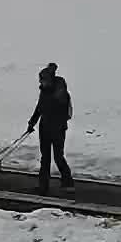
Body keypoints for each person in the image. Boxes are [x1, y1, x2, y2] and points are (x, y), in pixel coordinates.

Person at [26, 63, 75, 191]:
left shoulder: (61, 92)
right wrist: (32, 122)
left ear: (50, 80)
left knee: (58, 157)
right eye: (40, 80)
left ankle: (68, 183)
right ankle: (43, 185)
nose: (41, 83)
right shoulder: (44, 92)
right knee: (45, 158)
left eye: (43, 80)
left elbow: (60, 108)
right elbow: (39, 108)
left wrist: (54, 99)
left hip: (58, 129)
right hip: (45, 129)